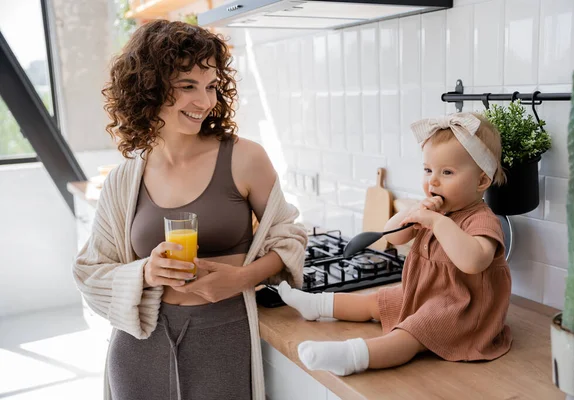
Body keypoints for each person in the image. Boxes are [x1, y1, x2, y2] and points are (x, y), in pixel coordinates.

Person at [73, 19, 307, 400]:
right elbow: (89, 271)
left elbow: (290, 235)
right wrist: (145, 272)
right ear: (149, 88)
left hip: (224, 334)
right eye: (187, 86)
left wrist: (242, 278)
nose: (205, 101)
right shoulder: (125, 178)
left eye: (212, 86)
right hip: (141, 342)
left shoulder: (244, 158)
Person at [278, 112, 512, 376]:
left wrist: (436, 223)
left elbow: (473, 261)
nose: (433, 181)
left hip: (462, 311)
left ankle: (353, 356)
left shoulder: (481, 219)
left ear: (481, 181)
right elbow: (392, 235)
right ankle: (316, 305)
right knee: (377, 301)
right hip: (425, 295)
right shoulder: (433, 211)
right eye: (428, 170)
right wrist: (411, 214)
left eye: (447, 172)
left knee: (411, 333)